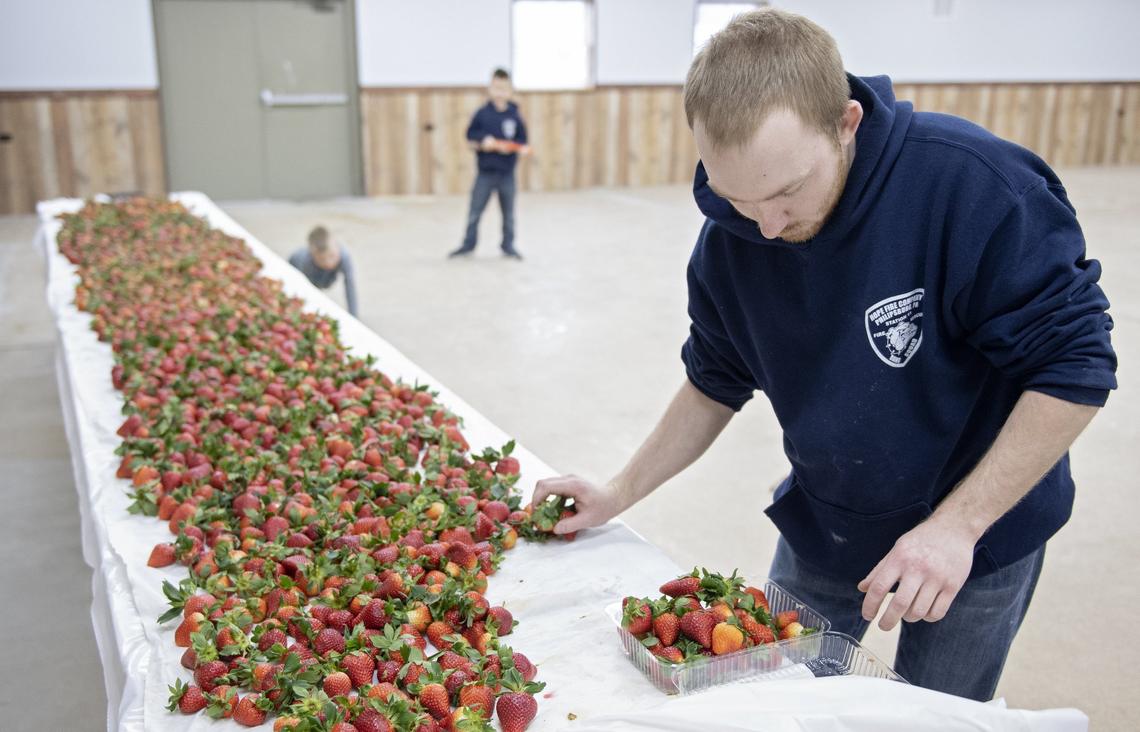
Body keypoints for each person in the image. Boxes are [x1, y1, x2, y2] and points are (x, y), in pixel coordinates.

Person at [532, 9, 1116, 702]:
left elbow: (1075, 367)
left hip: (979, 532)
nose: (768, 228)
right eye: (735, 198)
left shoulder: (974, 186)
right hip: (830, 522)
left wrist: (956, 528)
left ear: (846, 123)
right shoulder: (732, 240)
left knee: (938, 713)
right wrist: (619, 491)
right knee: (773, 700)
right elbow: (714, 381)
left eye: (785, 192)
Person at [449, 68, 530, 260]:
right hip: (485, 173)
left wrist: (512, 148)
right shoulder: (482, 114)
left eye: (504, 88)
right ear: (490, 88)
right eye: (496, 87)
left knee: (508, 214)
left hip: (507, 173)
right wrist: (483, 141)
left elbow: (522, 143)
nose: (500, 92)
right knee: (475, 211)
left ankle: (508, 245)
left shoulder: (515, 116)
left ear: (510, 90)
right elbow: (470, 136)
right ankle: (468, 244)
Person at [288, 226, 358, 317]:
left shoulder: (344, 256)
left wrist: (354, 316)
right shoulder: (305, 261)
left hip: (325, 277)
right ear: (312, 255)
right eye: (322, 259)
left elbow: (350, 285)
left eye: (332, 256)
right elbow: (305, 288)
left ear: (337, 246)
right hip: (297, 268)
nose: (328, 263)